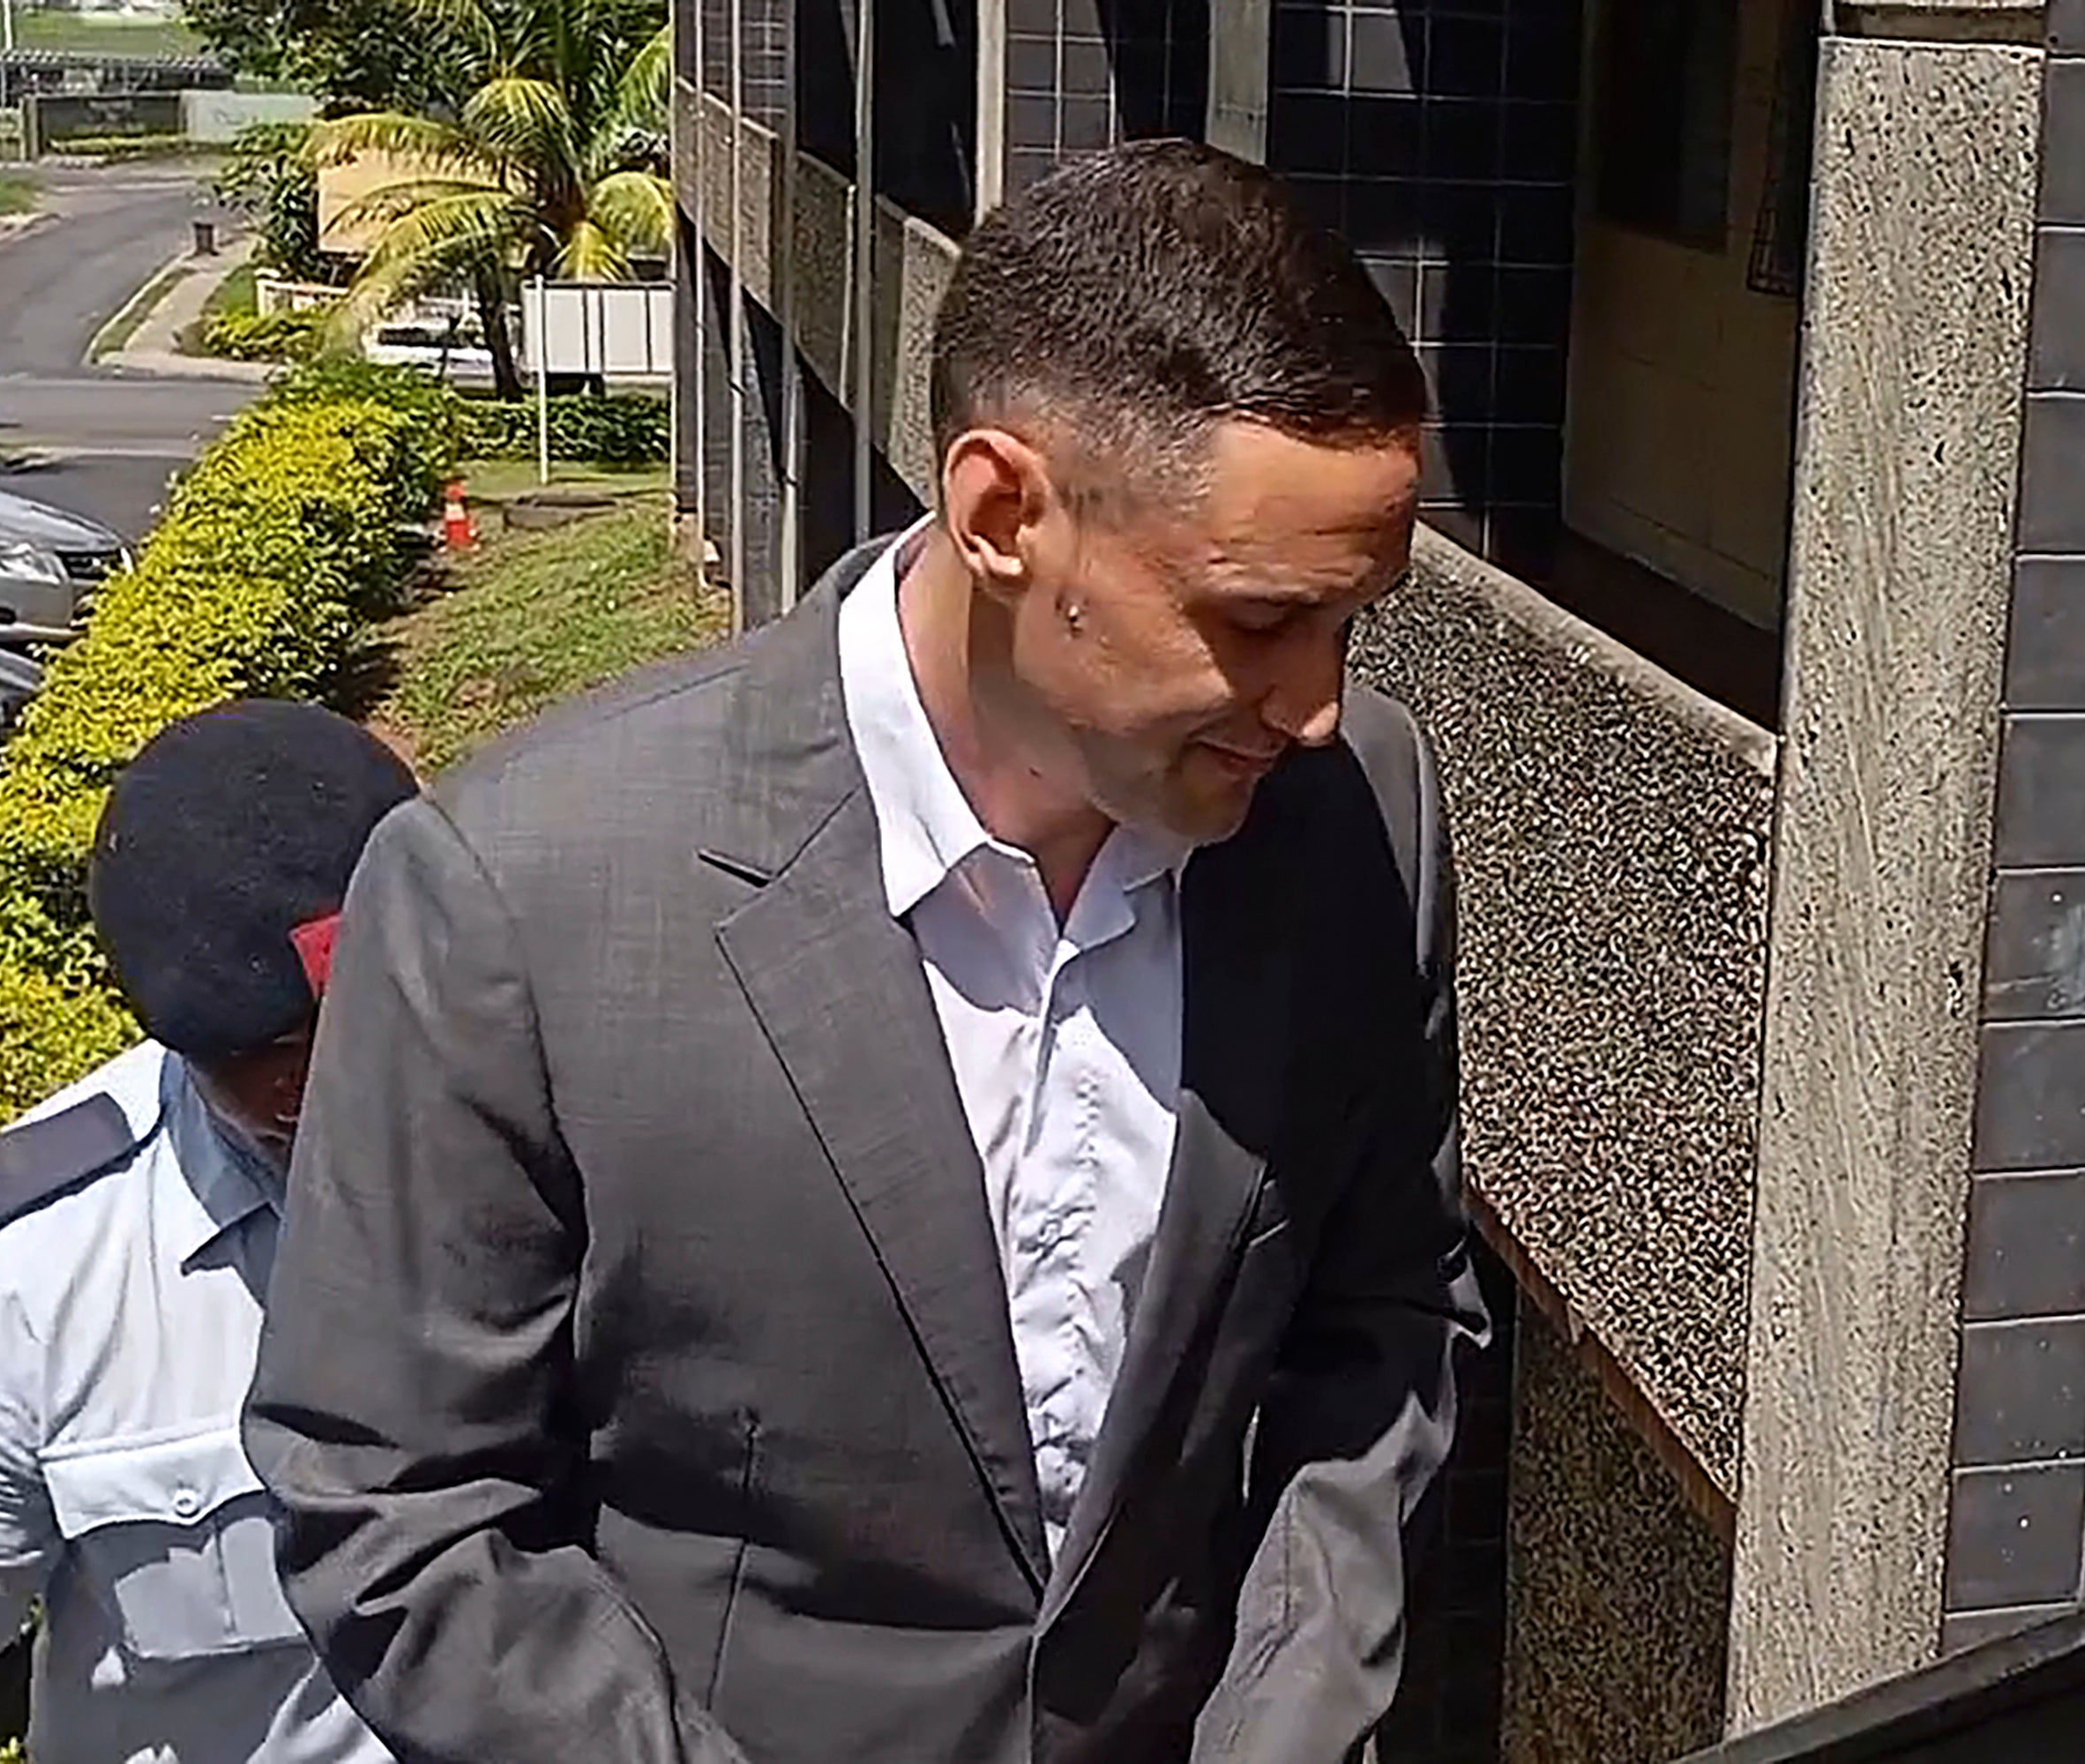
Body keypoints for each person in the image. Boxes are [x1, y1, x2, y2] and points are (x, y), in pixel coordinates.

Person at [245, 138, 1486, 1764]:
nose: (1316, 704)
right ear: (1001, 513)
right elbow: (399, 1502)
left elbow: (1383, 1327)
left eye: (1352, 622)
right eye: (1258, 621)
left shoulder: (1360, 811)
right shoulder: (514, 895)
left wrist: (1287, 1731)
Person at [0, 700, 415, 1764]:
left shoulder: (584, 1152)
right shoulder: (35, 1276)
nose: (331, 1083)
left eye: (364, 1023)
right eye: (277, 1058)